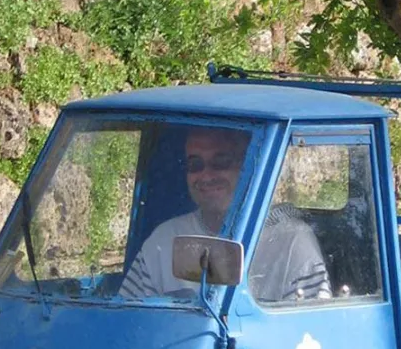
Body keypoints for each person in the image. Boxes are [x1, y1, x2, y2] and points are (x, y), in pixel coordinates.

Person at [119, 126, 331, 303]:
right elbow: (127, 323)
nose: (206, 175)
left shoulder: (291, 240)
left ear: (249, 167)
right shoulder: (164, 239)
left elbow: (312, 337)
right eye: (195, 165)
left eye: (221, 162)